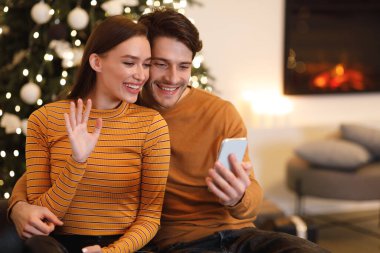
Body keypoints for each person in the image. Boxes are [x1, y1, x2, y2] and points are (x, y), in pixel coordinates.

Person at [8, 8, 328, 253]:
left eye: (184, 67)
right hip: (177, 241)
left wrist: (238, 196)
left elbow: (252, 195)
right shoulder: (124, 111)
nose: (173, 78)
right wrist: (18, 207)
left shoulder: (220, 112)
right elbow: (49, 168)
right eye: (159, 64)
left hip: (240, 235)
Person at [12, 15, 170, 253]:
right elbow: (42, 218)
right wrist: (77, 161)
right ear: (96, 62)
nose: (141, 75)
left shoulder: (151, 125)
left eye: (146, 64)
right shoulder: (44, 119)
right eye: (129, 63)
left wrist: (111, 252)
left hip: (123, 247)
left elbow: (149, 217)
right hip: (57, 246)